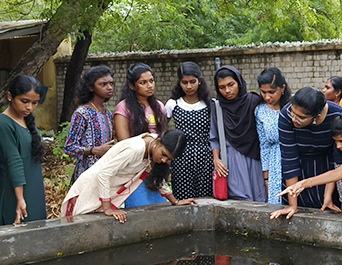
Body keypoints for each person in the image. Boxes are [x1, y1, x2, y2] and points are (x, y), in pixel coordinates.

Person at [62, 130, 196, 222]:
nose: (164, 161)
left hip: (104, 195)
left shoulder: (154, 147)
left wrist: (175, 202)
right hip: (88, 191)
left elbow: (158, 178)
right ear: (157, 143)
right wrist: (107, 208)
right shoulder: (136, 149)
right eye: (164, 155)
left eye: (169, 159)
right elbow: (103, 174)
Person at [272, 87, 342, 217]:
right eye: (293, 114)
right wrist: (292, 205)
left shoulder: (336, 115)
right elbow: (289, 158)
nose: (294, 119)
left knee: (326, 209)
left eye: (301, 117)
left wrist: (328, 195)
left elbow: (336, 157)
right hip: (298, 168)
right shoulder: (285, 115)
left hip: (327, 171)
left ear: (318, 116)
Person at [0, 75, 48, 226]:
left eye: (34, 103)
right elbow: (14, 161)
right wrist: (20, 199)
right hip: (14, 192)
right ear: (10, 96)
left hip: (33, 189)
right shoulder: (3, 124)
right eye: (24, 101)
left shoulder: (27, 119)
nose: (29, 107)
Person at [113, 63, 169, 207]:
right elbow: (124, 144)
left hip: (157, 170)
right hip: (134, 171)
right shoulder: (124, 108)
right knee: (139, 211)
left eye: (151, 81)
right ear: (132, 86)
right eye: (143, 83)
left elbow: (164, 139)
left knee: (160, 211)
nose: (149, 85)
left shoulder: (159, 107)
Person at [212, 65, 266, 201]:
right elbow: (214, 136)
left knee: (260, 198)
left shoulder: (254, 102)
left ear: (239, 83)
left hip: (255, 158)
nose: (227, 91)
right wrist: (216, 159)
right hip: (231, 160)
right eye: (222, 87)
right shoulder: (218, 107)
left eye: (231, 85)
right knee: (238, 200)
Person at [165, 62, 215, 200]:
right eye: (184, 82)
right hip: (181, 158)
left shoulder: (210, 104)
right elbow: (163, 130)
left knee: (206, 199)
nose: (189, 86)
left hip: (206, 158)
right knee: (183, 198)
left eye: (192, 82)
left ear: (200, 81)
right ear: (179, 83)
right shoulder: (173, 104)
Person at [63, 65, 116, 180]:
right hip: (86, 175)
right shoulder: (82, 113)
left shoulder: (107, 114)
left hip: (105, 173)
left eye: (111, 83)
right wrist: (94, 150)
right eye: (103, 84)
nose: (109, 87)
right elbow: (69, 147)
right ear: (91, 87)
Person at [256, 67, 290, 204]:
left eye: (272, 92)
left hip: (295, 157)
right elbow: (264, 145)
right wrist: (266, 178)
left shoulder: (292, 106)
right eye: (263, 92)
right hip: (275, 162)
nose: (267, 97)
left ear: (282, 89)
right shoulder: (260, 111)